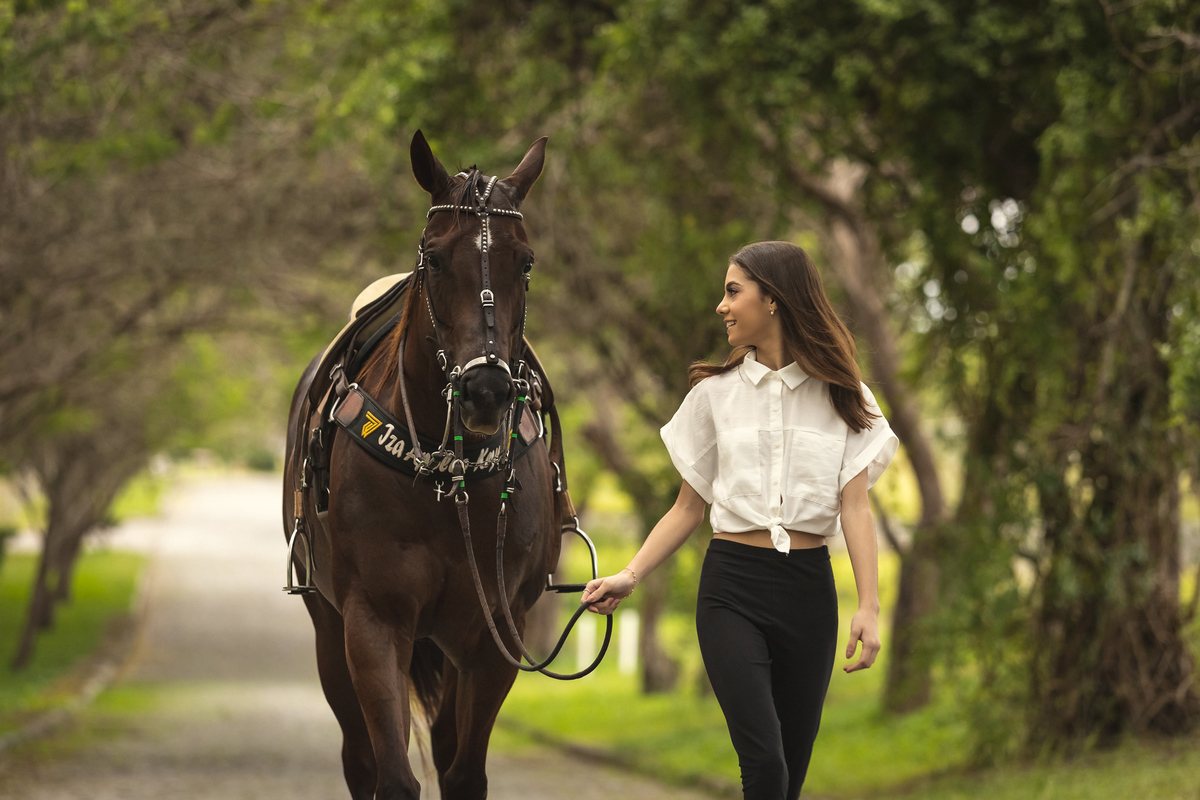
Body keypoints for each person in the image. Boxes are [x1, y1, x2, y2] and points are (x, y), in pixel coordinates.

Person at [581, 240, 898, 800]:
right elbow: (686, 507)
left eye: (733, 291)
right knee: (766, 769)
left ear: (772, 299)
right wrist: (630, 575)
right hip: (732, 590)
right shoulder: (713, 396)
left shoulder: (846, 397)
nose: (722, 306)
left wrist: (869, 607)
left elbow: (856, 508)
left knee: (789, 780)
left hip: (809, 595)